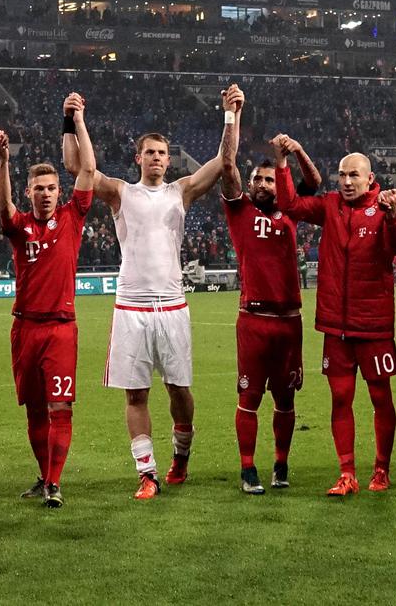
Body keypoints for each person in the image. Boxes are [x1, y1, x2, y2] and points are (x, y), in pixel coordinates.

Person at [64, 85, 236, 499]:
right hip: (131, 307)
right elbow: (76, 167)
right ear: (138, 157)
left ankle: (181, 457)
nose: (159, 158)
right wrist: (72, 120)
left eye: (164, 153)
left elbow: (225, 162)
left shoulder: (182, 191)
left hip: (172, 305)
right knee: (136, 393)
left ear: (168, 159)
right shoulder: (121, 191)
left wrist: (231, 115)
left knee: (179, 390)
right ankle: (147, 473)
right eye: (152, 152)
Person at [274, 134, 396, 495]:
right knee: (340, 398)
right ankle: (346, 472)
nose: (346, 182)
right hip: (336, 326)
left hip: (374, 325)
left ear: (369, 178)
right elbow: (289, 204)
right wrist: (284, 162)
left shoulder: (382, 208)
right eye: (341, 175)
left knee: (381, 398)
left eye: (353, 176)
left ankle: (381, 469)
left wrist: (395, 216)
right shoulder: (330, 205)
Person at [0, 91, 96, 509]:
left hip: (60, 329)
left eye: (53, 188)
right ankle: (43, 475)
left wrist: (77, 120)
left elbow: (87, 167)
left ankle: (54, 482)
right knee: (34, 409)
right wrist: (2, 162)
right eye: (39, 188)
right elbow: (3, 205)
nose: (48, 194)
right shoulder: (19, 227)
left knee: (60, 406)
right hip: (25, 328)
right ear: (29, 192)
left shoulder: (72, 217)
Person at [216, 88, 302, 494]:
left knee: (286, 402)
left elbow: (314, 182)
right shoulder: (240, 210)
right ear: (250, 184)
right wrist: (233, 115)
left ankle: (280, 466)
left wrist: (293, 154)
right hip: (253, 319)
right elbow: (227, 164)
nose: (264, 184)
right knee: (248, 398)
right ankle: (248, 468)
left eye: (270, 178)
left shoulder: (293, 211)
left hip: (289, 321)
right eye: (259, 179)